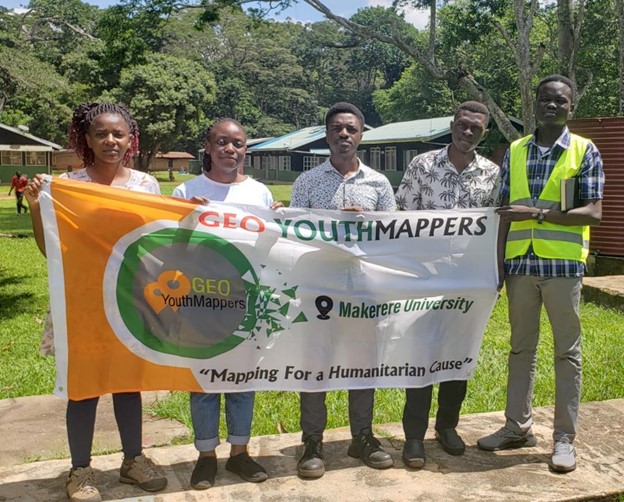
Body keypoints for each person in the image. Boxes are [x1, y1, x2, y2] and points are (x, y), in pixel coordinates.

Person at [25, 102, 168, 502]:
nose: (110, 141)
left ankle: (133, 460)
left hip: (130, 301)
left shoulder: (145, 186)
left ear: (130, 139)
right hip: (83, 302)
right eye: (101, 133)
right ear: (85, 138)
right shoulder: (67, 185)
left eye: (118, 134)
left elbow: (157, 244)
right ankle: (81, 471)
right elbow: (50, 252)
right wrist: (38, 208)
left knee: (128, 384)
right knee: (83, 388)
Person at [477, 75, 604, 473]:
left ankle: (565, 439)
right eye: (545, 99)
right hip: (520, 266)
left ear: (571, 108)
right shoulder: (514, 150)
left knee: (567, 353)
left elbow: (593, 212)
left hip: (562, 267)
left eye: (560, 101)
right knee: (520, 349)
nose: (552, 105)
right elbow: (503, 213)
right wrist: (497, 264)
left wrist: (538, 213)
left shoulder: (585, 151)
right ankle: (517, 427)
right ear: (535, 104)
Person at [172, 118, 282, 490]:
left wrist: (279, 222)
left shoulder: (260, 193)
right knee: (203, 383)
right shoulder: (186, 190)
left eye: (237, 143)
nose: (229, 150)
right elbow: (170, 249)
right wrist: (186, 217)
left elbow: (268, 251)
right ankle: (205, 456)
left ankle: (240, 453)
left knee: (242, 380)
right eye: (222, 142)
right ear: (208, 147)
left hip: (245, 300)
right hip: (199, 301)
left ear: (245, 150)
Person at [289, 102, 396, 479]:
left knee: (363, 363)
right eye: (337, 129)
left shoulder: (379, 184)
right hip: (319, 288)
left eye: (351, 129)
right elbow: (293, 236)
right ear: (327, 135)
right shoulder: (306, 183)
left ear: (361, 134)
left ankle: (362, 437)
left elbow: (392, 239)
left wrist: (365, 223)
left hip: (364, 291)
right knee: (315, 365)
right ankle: (312, 442)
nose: (344, 135)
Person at [395, 101, 501, 468]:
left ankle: (447, 426)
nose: (467, 132)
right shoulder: (422, 165)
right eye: (462, 125)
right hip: (424, 278)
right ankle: (413, 437)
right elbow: (401, 220)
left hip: (469, 281)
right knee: (420, 355)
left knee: (458, 352)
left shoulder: (492, 174)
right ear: (452, 125)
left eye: (475, 128)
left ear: (484, 133)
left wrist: (495, 273)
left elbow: (495, 228)